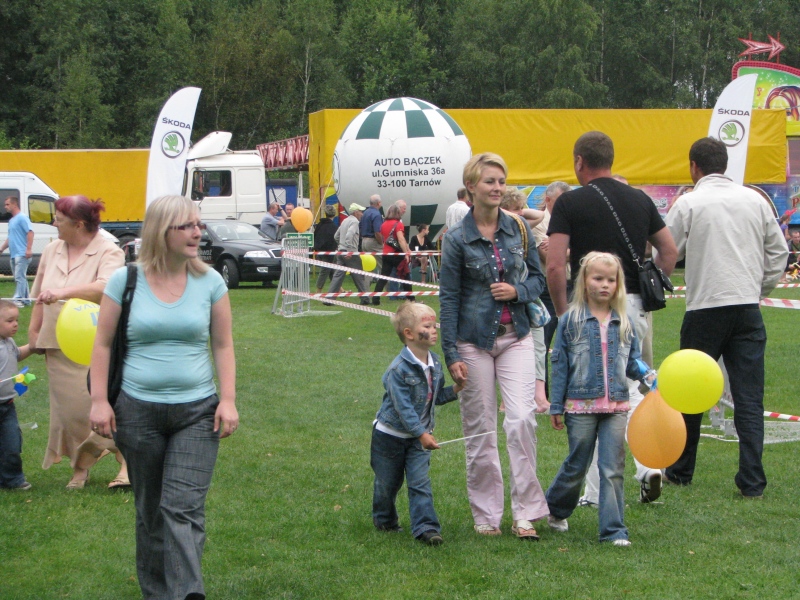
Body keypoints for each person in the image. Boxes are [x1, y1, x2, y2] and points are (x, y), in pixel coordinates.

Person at [89, 195, 238, 599]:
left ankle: (187, 592)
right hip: (136, 411)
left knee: (181, 507)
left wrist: (227, 399)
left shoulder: (211, 282)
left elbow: (223, 345)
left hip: (198, 412)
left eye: (198, 224)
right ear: (161, 231)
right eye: (186, 226)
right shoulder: (125, 281)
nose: (197, 232)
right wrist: (99, 401)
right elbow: (102, 344)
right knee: (151, 511)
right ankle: (157, 593)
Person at [546, 131, 677, 505]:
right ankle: (648, 465)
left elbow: (555, 264)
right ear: (611, 159)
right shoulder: (640, 199)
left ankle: (592, 492)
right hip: (633, 304)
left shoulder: (570, 202)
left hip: (588, 305)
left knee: (590, 394)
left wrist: (564, 312)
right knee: (633, 385)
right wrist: (650, 285)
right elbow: (669, 250)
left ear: (579, 161)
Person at [663, 137, 788, 498]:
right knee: (749, 397)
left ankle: (681, 470)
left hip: (704, 307)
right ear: (725, 164)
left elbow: (668, 251)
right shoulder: (756, 200)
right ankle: (752, 481)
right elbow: (779, 252)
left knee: (690, 393)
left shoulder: (688, 203)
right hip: (746, 306)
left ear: (693, 166)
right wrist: (758, 288)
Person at [439, 152, 549, 540]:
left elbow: (538, 280)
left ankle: (526, 514)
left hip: (516, 336)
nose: (498, 188)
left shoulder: (518, 229)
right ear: (471, 186)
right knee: (480, 430)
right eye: (490, 181)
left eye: (502, 181)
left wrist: (517, 291)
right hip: (472, 342)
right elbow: (448, 298)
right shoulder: (456, 239)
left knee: (521, 420)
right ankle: (487, 515)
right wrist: (451, 354)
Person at [546, 252, 652, 546]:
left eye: (611, 280)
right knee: (577, 464)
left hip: (616, 406)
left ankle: (614, 530)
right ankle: (555, 509)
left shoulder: (625, 322)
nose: (605, 285)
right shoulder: (570, 321)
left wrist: (649, 377)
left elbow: (632, 363)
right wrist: (556, 406)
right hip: (579, 407)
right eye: (598, 278)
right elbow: (560, 365)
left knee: (612, 468)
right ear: (584, 281)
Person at [27, 195, 129, 490]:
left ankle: (126, 462)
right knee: (69, 413)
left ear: (79, 224)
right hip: (56, 341)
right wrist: (34, 333)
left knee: (106, 406)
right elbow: (39, 295)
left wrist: (62, 292)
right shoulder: (52, 250)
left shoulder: (109, 251)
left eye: (59, 220)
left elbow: (106, 287)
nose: (54, 224)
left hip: (96, 341)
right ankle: (79, 467)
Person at [371, 301, 462, 546]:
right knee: (387, 484)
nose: (434, 331)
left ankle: (427, 529)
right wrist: (422, 433)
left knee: (420, 483)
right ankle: (384, 520)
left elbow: (435, 397)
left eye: (434, 326)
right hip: (389, 437)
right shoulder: (397, 370)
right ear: (409, 334)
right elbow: (404, 409)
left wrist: (457, 388)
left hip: (418, 439)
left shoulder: (435, 364)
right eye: (427, 326)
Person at [500, 189, 549, 412]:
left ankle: (539, 396)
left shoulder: (522, 228)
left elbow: (539, 215)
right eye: (515, 209)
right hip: (507, 299)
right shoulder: (497, 232)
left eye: (522, 208)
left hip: (527, 294)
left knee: (538, 345)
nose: (520, 213)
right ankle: (506, 400)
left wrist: (517, 212)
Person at [531, 181, 571, 393]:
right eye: (561, 200)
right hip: (547, 289)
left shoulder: (572, 220)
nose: (566, 204)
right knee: (542, 344)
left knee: (575, 343)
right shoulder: (540, 222)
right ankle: (541, 394)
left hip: (572, 285)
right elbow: (548, 257)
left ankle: (572, 393)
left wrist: (562, 248)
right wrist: (572, 247)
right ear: (548, 200)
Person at [0, 300, 32, 490]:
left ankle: (13, 479)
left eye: (17, 320)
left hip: (7, 406)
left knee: (12, 445)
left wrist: (33, 347)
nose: (15, 324)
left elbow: (17, 354)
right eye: (9, 321)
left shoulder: (9, 342)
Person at [327, 203, 371, 306]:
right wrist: (349, 249)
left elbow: (336, 236)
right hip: (351, 252)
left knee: (337, 276)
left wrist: (341, 246)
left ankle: (329, 298)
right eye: (361, 211)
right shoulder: (354, 222)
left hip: (341, 251)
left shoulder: (345, 221)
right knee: (359, 276)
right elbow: (349, 234)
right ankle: (365, 298)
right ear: (356, 212)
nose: (362, 214)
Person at [373, 204, 412, 305]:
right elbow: (401, 239)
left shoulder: (383, 224)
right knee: (405, 276)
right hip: (396, 254)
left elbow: (384, 238)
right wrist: (406, 253)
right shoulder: (398, 224)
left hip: (386, 253)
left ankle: (375, 299)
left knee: (383, 277)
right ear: (398, 213)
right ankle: (411, 299)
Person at [0, 196, 34, 307]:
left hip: (22, 253)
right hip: (14, 254)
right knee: (19, 277)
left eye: (7, 204)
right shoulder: (11, 221)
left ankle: (18, 299)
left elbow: (30, 232)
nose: (5, 207)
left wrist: (28, 249)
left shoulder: (22, 218)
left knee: (19, 277)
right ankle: (26, 300)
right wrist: (2, 248)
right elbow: (10, 238)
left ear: (14, 204)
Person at [314, 205, 340, 292]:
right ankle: (318, 291)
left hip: (319, 251)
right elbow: (334, 241)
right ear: (334, 214)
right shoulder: (334, 227)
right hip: (329, 252)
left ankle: (340, 290)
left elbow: (315, 236)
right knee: (325, 271)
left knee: (333, 271)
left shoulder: (319, 225)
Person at [360, 195, 384, 282]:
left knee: (368, 268)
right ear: (378, 203)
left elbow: (360, 227)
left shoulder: (365, 213)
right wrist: (381, 243)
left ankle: (365, 289)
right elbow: (377, 232)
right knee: (384, 266)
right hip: (373, 242)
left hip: (364, 241)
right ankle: (389, 288)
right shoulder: (376, 214)